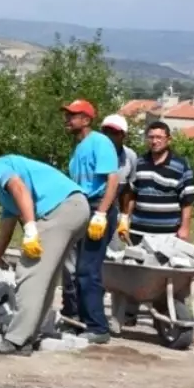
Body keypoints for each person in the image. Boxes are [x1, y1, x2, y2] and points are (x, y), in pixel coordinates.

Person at [0, 154, 89, 356]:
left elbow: (19, 187)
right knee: (44, 277)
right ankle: (28, 337)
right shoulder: (5, 195)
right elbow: (5, 233)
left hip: (60, 209)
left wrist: (30, 229)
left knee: (29, 272)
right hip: (76, 208)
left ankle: (16, 340)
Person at [59, 99, 120, 343]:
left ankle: (98, 327)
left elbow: (112, 180)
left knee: (88, 270)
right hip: (83, 209)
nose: (68, 120)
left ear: (86, 120)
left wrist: (102, 213)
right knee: (76, 271)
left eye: (72, 116)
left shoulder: (100, 142)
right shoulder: (79, 148)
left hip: (98, 209)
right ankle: (82, 321)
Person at [122, 120, 194, 240]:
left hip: (168, 234)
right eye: (151, 137)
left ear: (169, 139)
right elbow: (131, 195)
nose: (154, 141)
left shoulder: (180, 166)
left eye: (159, 137)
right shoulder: (139, 163)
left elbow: (187, 200)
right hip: (137, 232)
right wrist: (125, 220)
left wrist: (185, 227)